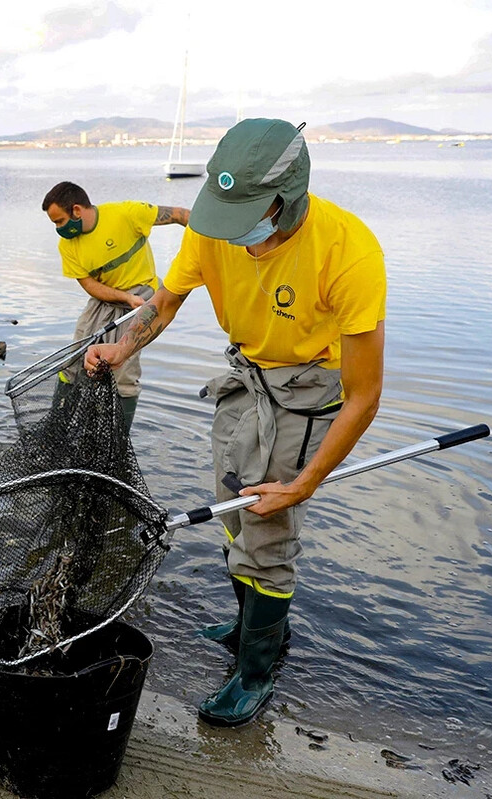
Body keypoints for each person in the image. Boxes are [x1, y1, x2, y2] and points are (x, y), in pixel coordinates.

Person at [83, 119, 386, 727]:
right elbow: (164, 303)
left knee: (269, 527)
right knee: (230, 506)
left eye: (248, 213)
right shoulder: (212, 226)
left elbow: (364, 395)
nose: (235, 232)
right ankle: (253, 621)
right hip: (244, 376)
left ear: (289, 196)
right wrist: (119, 348)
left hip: (309, 388)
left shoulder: (349, 251)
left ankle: (257, 669)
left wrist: (306, 483)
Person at [41, 182, 188, 433]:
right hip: (104, 300)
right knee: (74, 360)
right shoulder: (68, 245)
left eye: (59, 221)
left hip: (142, 299)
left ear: (77, 210)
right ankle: (56, 430)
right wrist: (122, 297)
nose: (58, 229)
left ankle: (117, 444)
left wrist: (211, 244)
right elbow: (89, 284)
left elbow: (181, 215)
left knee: (123, 372)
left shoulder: (127, 213)